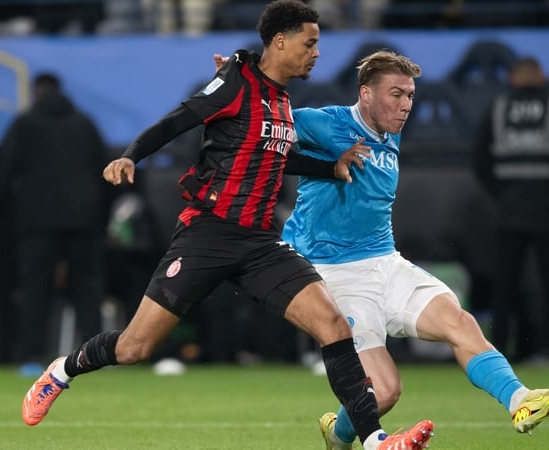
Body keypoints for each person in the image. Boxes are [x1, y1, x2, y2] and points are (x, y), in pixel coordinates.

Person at [21, 2, 433, 449]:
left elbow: (277, 155)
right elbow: (179, 120)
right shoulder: (236, 82)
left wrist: (330, 167)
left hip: (259, 242)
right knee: (134, 349)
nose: (317, 53)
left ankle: (374, 441)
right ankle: (62, 370)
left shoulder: (280, 99)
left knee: (334, 325)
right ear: (281, 41)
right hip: (209, 233)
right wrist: (130, 154)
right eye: (310, 42)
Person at [276, 50, 549, 449]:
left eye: (410, 96)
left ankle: (521, 401)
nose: (405, 106)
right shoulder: (324, 123)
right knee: (384, 391)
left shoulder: (391, 129)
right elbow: (261, 132)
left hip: (386, 261)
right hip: (334, 273)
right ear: (365, 93)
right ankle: (339, 433)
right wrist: (240, 86)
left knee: (460, 321)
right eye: (395, 94)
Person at [0, 72, 109, 368]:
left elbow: (3, 171)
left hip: (36, 222)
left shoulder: (25, 124)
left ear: (36, 91)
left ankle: (31, 357)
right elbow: (105, 172)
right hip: (84, 221)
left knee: (35, 289)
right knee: (87, 289)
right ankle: (96, 357)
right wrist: (100, 218)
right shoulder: (84, 124)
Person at [472, 56, 549, 363]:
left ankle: (495, 351)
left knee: (505, 286)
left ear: (513, 78)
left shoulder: (497, 110)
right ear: (542, 77)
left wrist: (502, 195)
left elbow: (479, 160)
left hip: (509, 212)